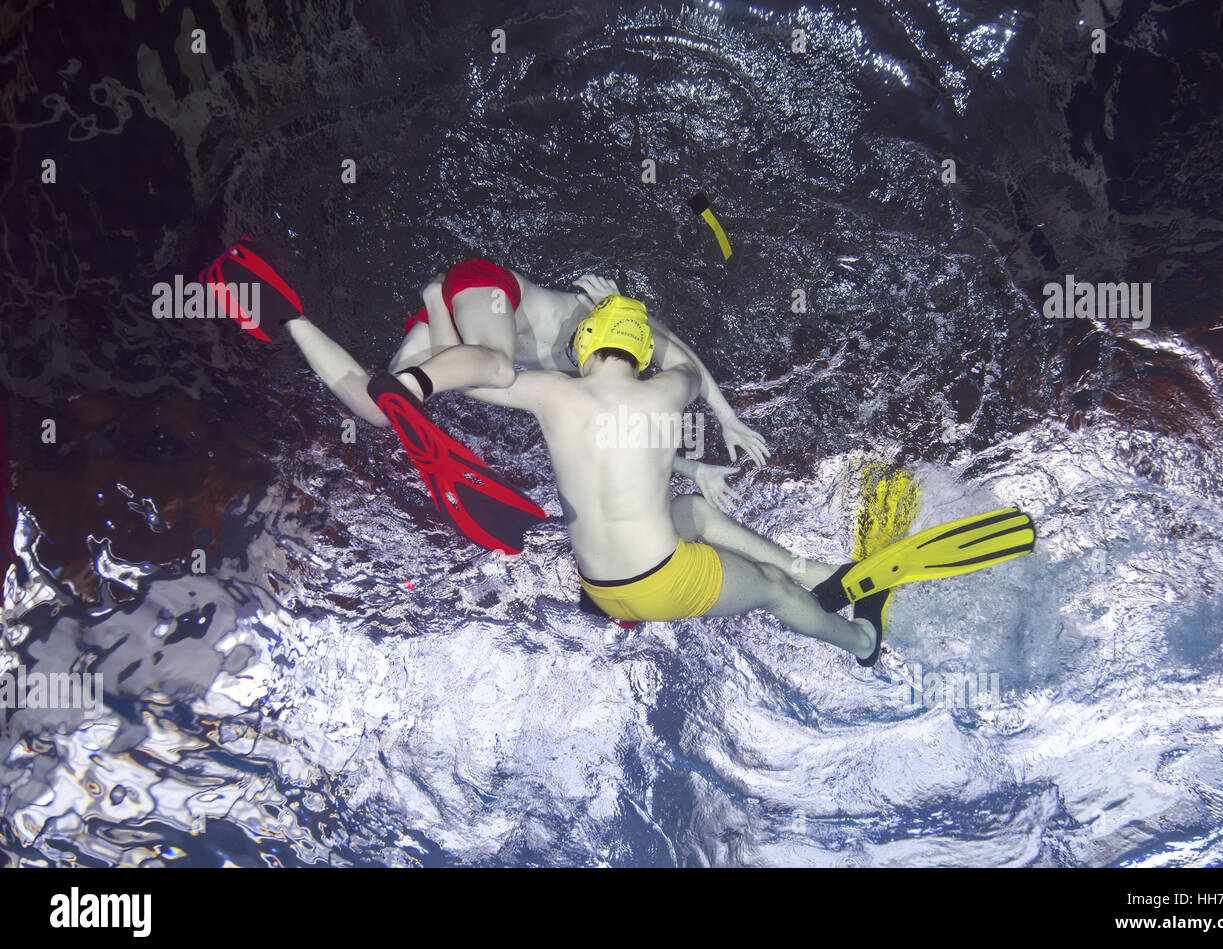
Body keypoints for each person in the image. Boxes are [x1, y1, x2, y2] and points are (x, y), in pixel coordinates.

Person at [447, 294, 1036, 664]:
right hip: (655, 583)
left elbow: (478, 378)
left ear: (583, 346)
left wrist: (421, 369)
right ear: (643, 351)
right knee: (772, 592)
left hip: (602, 591)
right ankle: (862, 642)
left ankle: (818, 573)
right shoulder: (662, 391)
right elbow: (689, 370)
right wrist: (640, 312)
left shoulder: (554, 393)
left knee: (692, 513)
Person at [201, 239, 765, 552]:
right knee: (492, 368)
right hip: (489, 293)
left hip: (454, 334)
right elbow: (690, 362)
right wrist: (728, 418)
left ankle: (286, 314)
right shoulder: (626, 321)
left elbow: (626, 436)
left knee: (377, 412)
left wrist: (693, 472)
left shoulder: (614, 382)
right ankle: (418, 373)